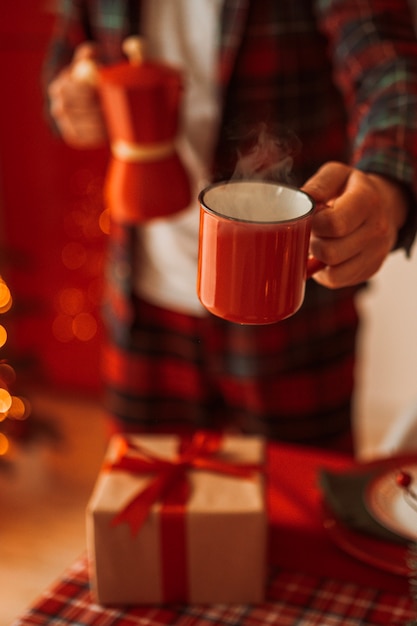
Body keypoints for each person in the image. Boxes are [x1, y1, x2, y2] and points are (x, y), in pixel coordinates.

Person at [43, 0, 417, 454]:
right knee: (150, 505)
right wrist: (70, 98)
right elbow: (65, 63)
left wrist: (387, 186)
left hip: (293, 309)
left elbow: (390, 71)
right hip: (144, 296)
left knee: (299, 507)